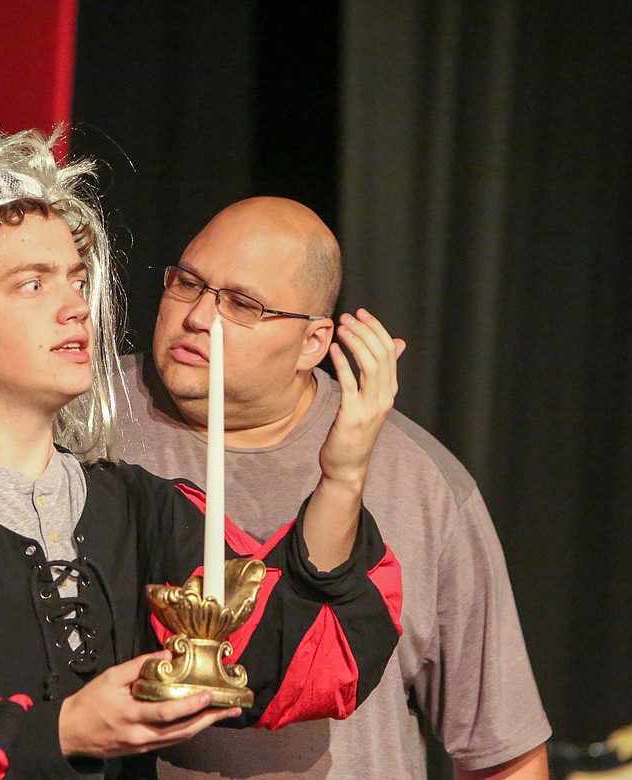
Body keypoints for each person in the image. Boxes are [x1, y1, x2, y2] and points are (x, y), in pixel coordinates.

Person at [0, 121, 405, 779]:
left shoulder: (135, 509)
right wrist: (62, 731)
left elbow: (306, 660)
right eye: (33, 283)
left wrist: (342, 476)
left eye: (74, 278)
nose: (74, 306)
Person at [113, 197, 552, 779]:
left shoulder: (418, 480)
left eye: (242, 304)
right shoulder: (84, 427)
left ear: (313, 344)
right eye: (187, 283)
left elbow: (503, 753)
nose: (197, 317)